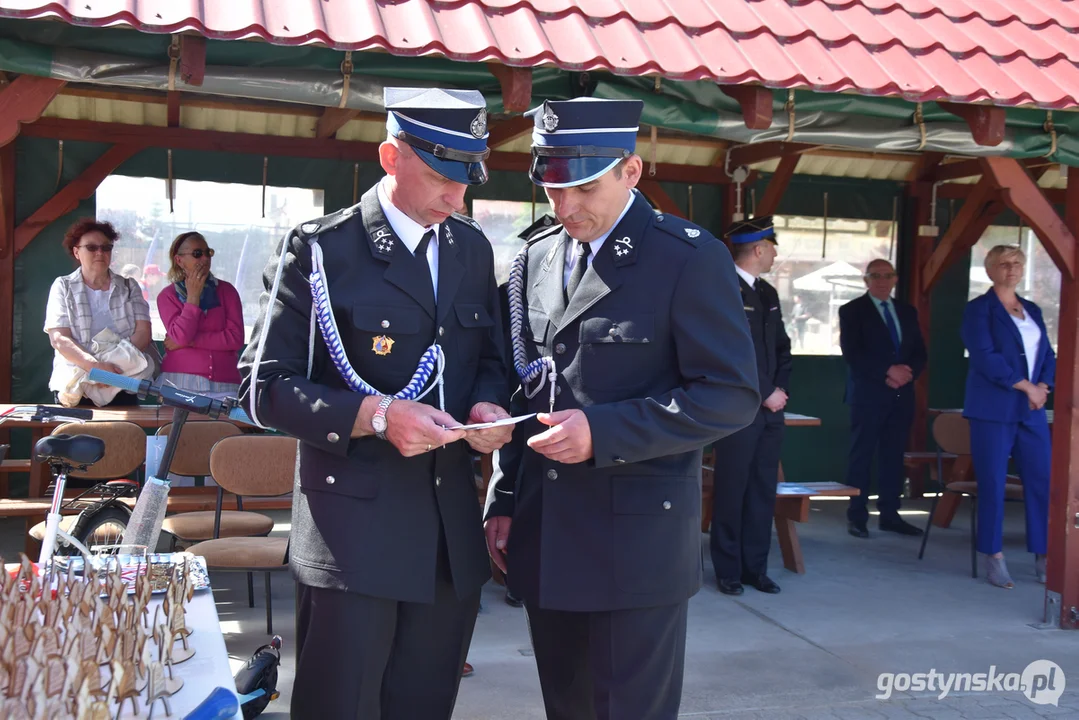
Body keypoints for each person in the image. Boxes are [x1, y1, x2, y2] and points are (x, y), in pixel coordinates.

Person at [239, 87, 511, 720]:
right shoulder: (323, 250)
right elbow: (262, 385)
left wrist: (487, 410)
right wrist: (377, 417)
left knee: (425, 704)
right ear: (392, 157)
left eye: (468, 178)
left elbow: (486, 361)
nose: (458, 196)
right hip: (354, 538)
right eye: (445, 177)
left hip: (448, 535)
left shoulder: (470, 249)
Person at [484, 97, 760, 720]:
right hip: (546, 533)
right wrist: (503, 501)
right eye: (552, 190)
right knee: (568, 707)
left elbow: (731, 395)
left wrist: (603, 431)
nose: (565, 207)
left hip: (633, 547)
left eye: (581, 187)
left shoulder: (686, 257)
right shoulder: (535, 257)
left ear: (630, 172)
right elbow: (527, 393)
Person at [961, 244, 1053, 588]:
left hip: (1030, 411)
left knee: (1041, 481)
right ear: (990, 270)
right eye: (1003, 264)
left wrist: (1044, 384)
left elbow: (1047, 351)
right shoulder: (978, 310)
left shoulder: (1032, 310)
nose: (1011, 269)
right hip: (993, 410)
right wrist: (1026, 386)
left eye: (1017, 263)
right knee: (993, 483)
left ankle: (1044, 554)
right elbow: (984, 357)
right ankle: (993, 555)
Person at [711, 216, 792, 596]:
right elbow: (728, 353)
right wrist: (765, 391)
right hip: (737, 412)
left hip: (771, 411)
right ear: (758, 249)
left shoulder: (768, 294)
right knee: (732, 490)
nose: (776, 253)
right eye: (772, 246)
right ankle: (727, 571)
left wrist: (781, 390)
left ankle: (755, 569)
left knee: (762, 491)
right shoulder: (722, 289)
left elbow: (782, 348)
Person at [839, 259, 927, 538]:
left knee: (893, 456)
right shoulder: (852, 311)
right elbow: (853, 353)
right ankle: (857, 516)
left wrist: (906, 374)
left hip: (902, 396)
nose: (881, 280)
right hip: (868, 395)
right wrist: (887, 372)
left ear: (895, 279)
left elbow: (919, 352)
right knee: (861, 456)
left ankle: (890, 514)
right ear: (866, 280)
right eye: (875, 275)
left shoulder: (907, 311)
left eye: (887, 275)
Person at [44, 218, 153, 406]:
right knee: (74, 436)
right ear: (76, 252)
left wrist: (111, 371)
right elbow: (59, 339)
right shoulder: (63, 286)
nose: (100, 253)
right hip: (76, 388)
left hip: (121, 381)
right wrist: (96, 369)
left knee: (123, 436)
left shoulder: (129, 286)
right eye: (92, 248)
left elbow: (144, 333)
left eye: (106, 247)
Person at [157, 231, 244, 397]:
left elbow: (235, 338)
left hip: (225, 384)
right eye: (197, 254)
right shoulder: (167, 296)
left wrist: (191, 342)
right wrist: (193, 298)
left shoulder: (227, 292)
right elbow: (181, 336)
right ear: (179, 260)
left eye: (208, 253)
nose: (205, 258)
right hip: (178, 383)